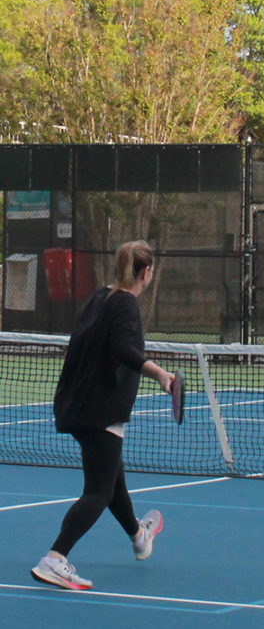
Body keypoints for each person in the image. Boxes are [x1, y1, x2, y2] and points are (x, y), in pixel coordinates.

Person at [31, 241, 175, 591]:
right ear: (146, 272)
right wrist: (160, 374)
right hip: (101, 409)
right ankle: (55, 558)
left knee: (112, 480)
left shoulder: (98, 298)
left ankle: (139, 536)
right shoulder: (125, 303)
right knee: (98, 492)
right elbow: (124, 349)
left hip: (77, 403)